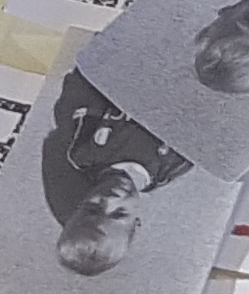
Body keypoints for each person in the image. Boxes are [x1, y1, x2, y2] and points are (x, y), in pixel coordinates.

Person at [37, 70, 192, 277]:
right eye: (120, 213)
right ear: (136, 222)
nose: (111, 199)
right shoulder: (170, 168)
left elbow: (84, 78)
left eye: (93, 208)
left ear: (79, 204)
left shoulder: (83, 148)